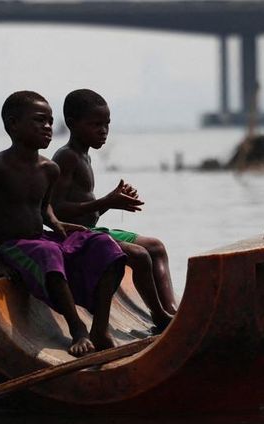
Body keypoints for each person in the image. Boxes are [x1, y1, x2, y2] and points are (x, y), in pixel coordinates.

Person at [0, 91, 126, 356]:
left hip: (43, 239)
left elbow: (44, 207)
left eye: (51, 122)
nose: (48, 127)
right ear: (12, 125)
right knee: (48, 252)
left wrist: (58, 223)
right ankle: (77, 330)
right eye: (40, 121)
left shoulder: (49, 169)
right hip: (14, 246)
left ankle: (99, 327)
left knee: (104, 245)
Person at [51, 89, 177, 331]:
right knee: (139, 256)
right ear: (72, 123)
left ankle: (171, 309)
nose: (103, 131)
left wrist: (112, 203)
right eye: (95, 124)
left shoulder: (84, 157)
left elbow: (88, 213)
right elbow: (57, 211)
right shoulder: (66, 157)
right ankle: (160, 316)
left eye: (107, 124)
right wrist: (106, 201)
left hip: (92, 230)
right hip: (75, 237)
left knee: (156, 247)